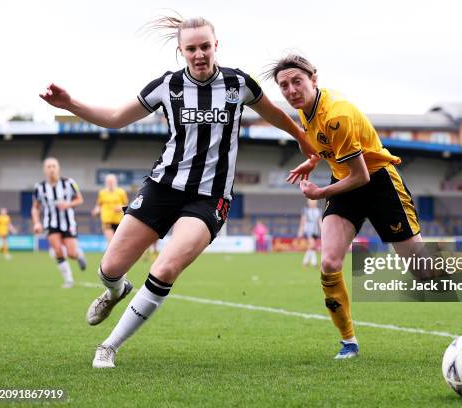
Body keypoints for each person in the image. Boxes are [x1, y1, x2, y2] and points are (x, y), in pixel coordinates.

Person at [39, 16, 314, 369]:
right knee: (109, 268)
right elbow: (115, 117)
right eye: (191, 48)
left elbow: (275, 114)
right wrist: (70, 104)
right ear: (180, 50)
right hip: (162, 187)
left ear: (217, 45)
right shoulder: (167, 87)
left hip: (210, 197)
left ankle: (108, 346)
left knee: (166, 267)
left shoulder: (238, 83)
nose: (199, 54)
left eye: (205, 46)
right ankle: (116, 291)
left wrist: (304, 141)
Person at [265, 54, 462, 359]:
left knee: (422, 271)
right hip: (346, 182)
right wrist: (311, 161)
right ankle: (349, 343)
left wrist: (320, 193)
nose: (291, 90)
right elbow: (324, 145)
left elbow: (360, 175)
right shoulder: (306, 111)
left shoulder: (337, 115)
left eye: (297, 81)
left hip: (378, 184)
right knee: (330, 264)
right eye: (284, 85)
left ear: (314, 79)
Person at [31, 158, 88, 288]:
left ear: (58, 168)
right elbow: (35, 207)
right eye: (48, 166)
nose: (51, 169)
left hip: (68, 223)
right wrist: (36, 223)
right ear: (44, 170)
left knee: (71, 254)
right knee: (57, 250)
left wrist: (68, 204)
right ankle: (69, 280)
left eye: (54, 166)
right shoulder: (39, 187)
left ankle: (78, 255)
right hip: (50, 223)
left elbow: (80, 200)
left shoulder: (69, 183)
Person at [91, 174, 129, 246]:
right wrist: (96, 210)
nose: (110, 183)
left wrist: (120, 207)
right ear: (105, 182)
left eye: (112, 181)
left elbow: (126, 206)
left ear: (115, 182)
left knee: (119, 242)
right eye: (108, 181)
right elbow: (99, 205)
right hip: (106, 220)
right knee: (111, 243)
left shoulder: (121, 192)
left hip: (118, 220)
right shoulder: (102, 193)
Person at [297, 199, 322, 267]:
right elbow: (303, 221)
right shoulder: (305, 210)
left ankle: (307, 262)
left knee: (312, 246)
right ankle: (312, 263)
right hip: (308, 229)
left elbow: (320, 221)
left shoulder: (319, 211)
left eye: (314, 202)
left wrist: (322, 229)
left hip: (315, 230)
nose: (312, 204)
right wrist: (300, 231)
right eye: (311, 203)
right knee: (312, 244)